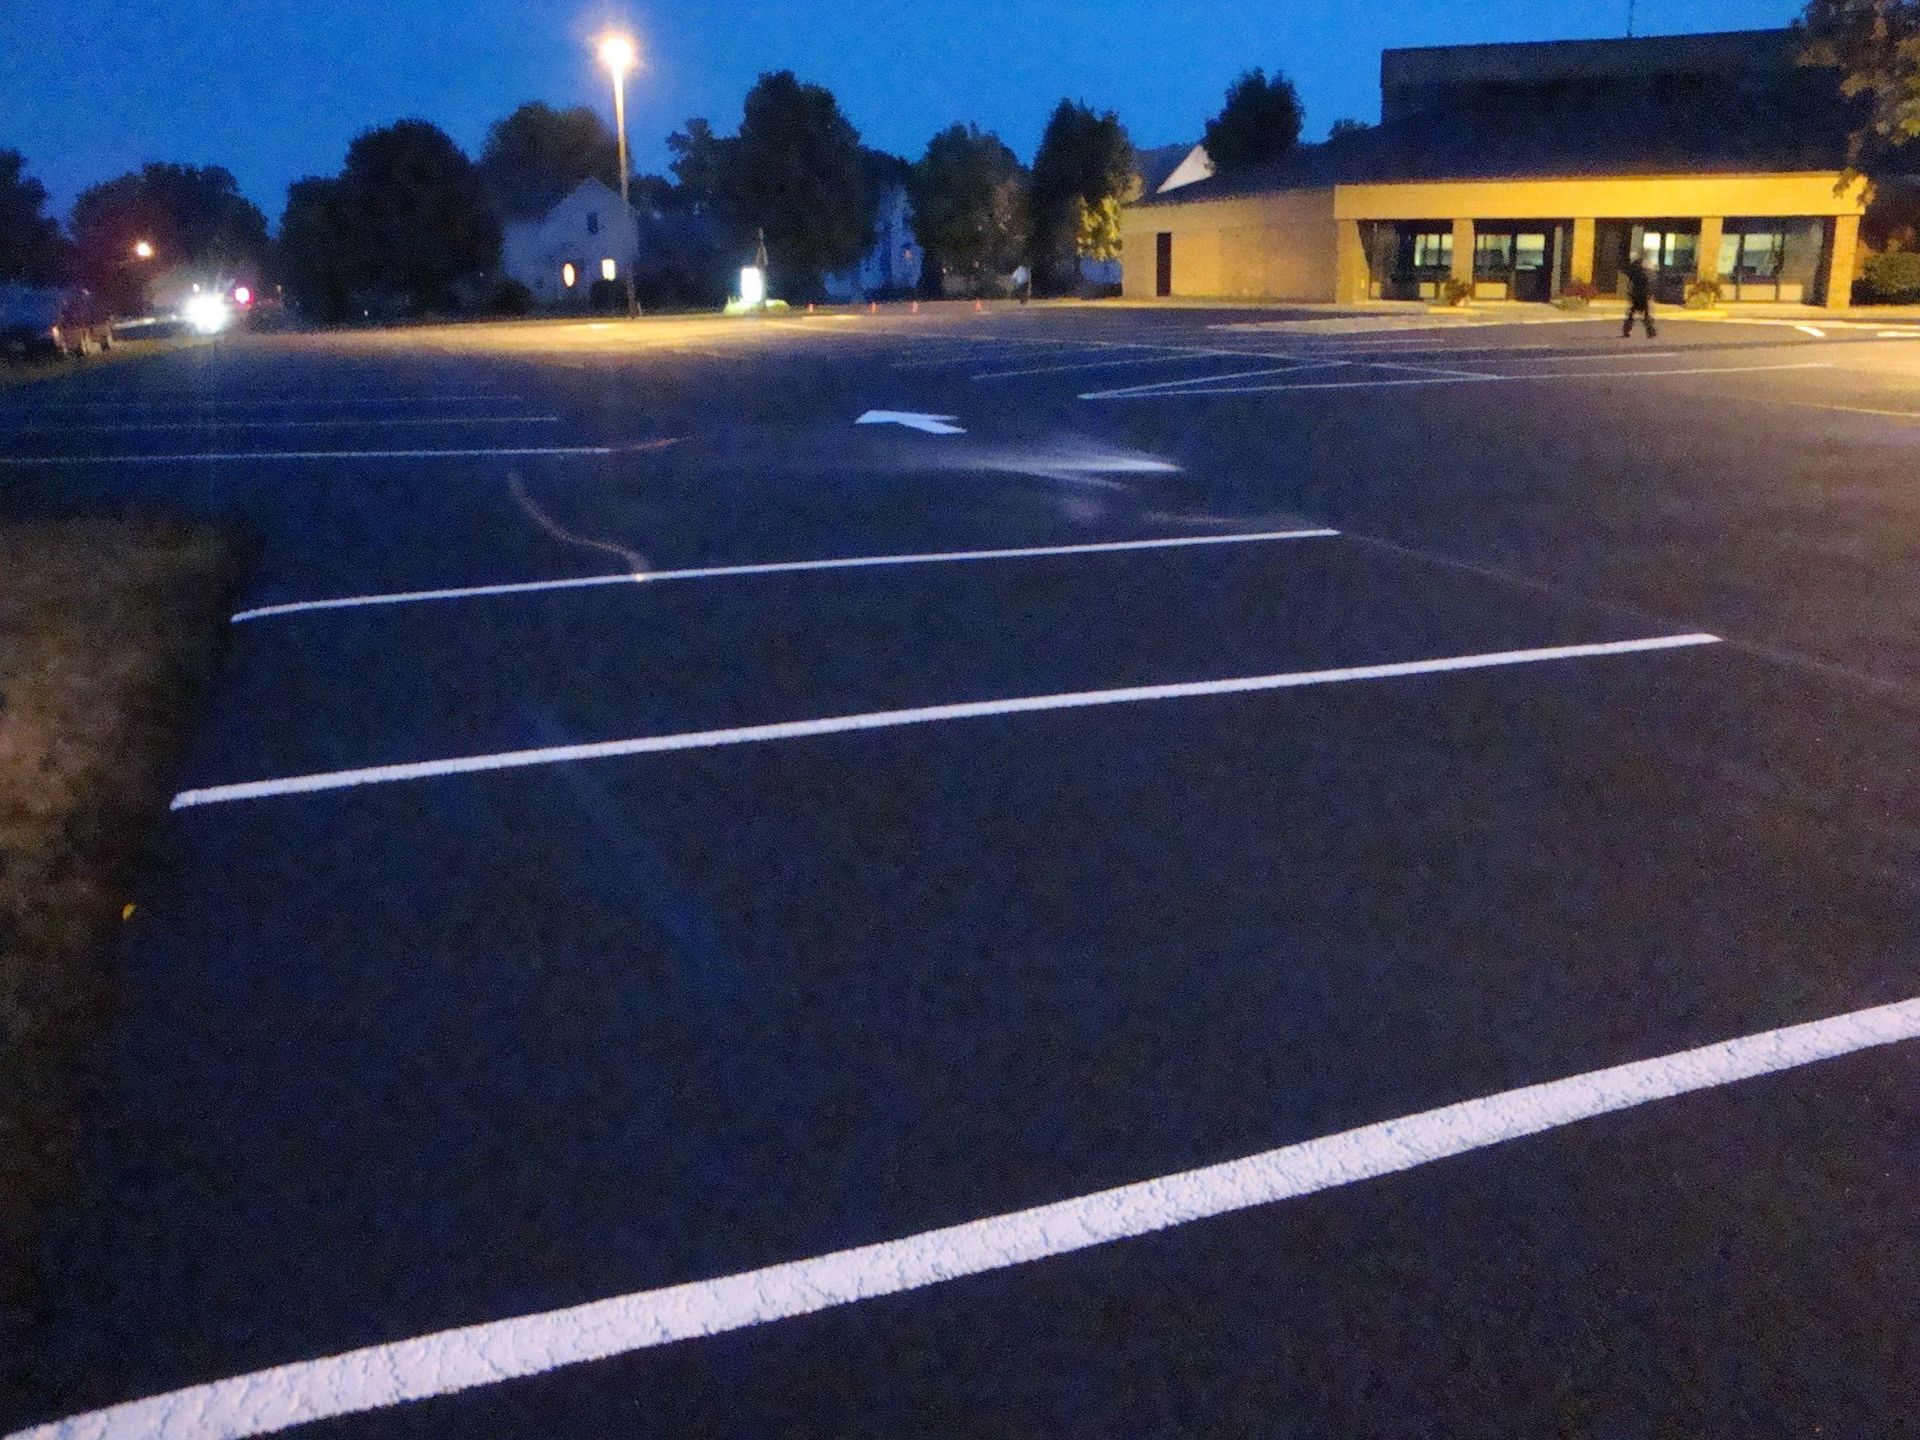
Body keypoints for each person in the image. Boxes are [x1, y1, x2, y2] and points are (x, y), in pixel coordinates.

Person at [1623, 255, 1657, 339]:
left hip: (1636, 296)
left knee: (1631, 314)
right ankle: (1650, 331)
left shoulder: (1634, 275)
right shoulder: (1643, 275)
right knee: (1645, 315)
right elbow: (1647, 286)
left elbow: (1631, 286)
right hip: (1642, 296)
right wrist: (1649, 295)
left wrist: (1630, 294)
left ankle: (1626, 330)